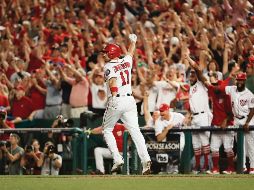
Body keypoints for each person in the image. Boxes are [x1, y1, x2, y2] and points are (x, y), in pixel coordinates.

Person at [102, 34, 151, 175]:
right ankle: (145, 160)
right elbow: (130, 52)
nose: (104, 55)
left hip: (117, 99)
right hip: (130, 101)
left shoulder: (108, 66)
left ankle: (117, 159)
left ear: (111, 53)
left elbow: (112, 82)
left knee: (107, 130)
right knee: (135, 130)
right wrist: (133, 41)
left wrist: (114, 96)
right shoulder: (126, 61)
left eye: (106, 52)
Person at [191, 63, 235, 174]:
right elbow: (202, 78)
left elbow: (231, 112)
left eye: (215, 83)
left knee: (228, 148)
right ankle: (215, 168)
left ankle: (231, 169)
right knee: (214, 148)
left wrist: (225, 121)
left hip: (227, 125)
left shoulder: (226, 93)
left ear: (219, 82)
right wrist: (194, 66)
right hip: (216, 123)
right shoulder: (213, 89)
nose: (212, 85)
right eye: (212, 83)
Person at [185, 55, 213, 174]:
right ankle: (197, 166)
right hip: (195, 117)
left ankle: (206, 166)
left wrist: (189, 59)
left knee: (204, 141)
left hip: (203, 116)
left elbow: (198, 70)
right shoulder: (191, 88)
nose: (192, 76)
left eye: (193, 74)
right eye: (190, 74)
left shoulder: (201, 82)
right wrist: (189, 115)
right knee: (195, 142)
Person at [224, 72, 254, 174]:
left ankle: (253, 167)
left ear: (245, 80)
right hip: (236, 119)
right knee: (240, 145)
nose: (240, 81)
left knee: (250, 144)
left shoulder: (249, 94)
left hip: (248, 119)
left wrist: (247, 122)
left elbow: (252, 109)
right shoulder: (232, 89)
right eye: (238, 80)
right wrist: (229, 77)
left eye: (242, 80)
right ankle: (243, 166)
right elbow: (221, 87)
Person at [154, 103, 190, 174]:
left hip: (179, 137)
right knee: (162, 145)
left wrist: (188, 118)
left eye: (163, 111)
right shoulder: (158, 121)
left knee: (179, 146)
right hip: (166, 139)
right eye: (160, 111)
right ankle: (164, 167)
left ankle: (175, 167)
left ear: (167, 110)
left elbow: (186, 123)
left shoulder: (178, 116)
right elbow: (159, 138)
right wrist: (167, 129)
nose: (161, 113)